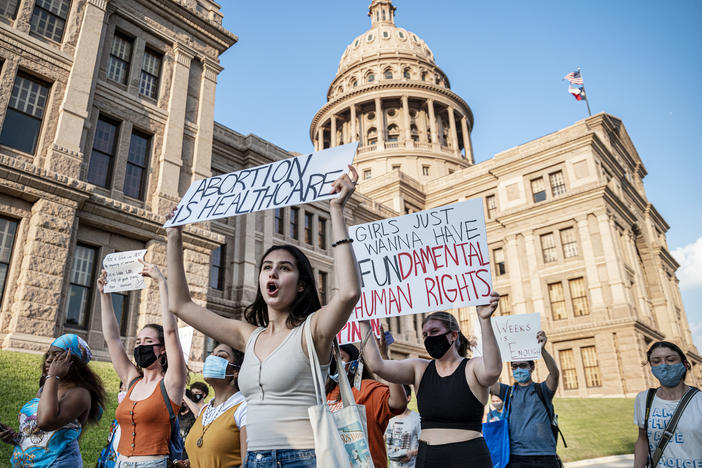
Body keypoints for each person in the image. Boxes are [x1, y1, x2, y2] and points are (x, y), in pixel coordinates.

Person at [166, 166, 361, 467]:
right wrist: (174, 236)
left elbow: (348, 292)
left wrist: (336, 210)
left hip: (302, 458)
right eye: (267, 266)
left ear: (301, 285)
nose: (272, 272)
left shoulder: (313, 331)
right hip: (254, 460)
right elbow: (181, 304)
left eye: (284, 268)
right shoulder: (248, 335)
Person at [360, 297, 502, 468]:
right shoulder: (420, 368)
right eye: (425, 335)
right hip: (429, 459)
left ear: (453, 335)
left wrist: (484, 320)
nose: (429, 338)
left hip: (468, 457)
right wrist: (363, 321)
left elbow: (493, 371)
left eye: (434, 332)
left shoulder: (472, 366)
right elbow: (377, 366)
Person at [98, 261, 187, 468]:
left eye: (148, 342)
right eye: (138, 342)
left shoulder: (171, 383)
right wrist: (105, 295)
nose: (141, 346)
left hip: (152, 463)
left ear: (162, 349)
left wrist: (161, 283)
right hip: (119, 462)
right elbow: (112, 339)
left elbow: (171, 331)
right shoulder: (132, 381)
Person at [0, 334, 106, 467]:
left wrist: (53, 376)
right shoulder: (46, 388)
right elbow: (41, 433)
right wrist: (16, 437)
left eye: (57, 355)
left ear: (73, 362)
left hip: (58, 463)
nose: (48, 360)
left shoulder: (80, 394)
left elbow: (45, 421)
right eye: (48, 355)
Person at [325, 340, 407, 467]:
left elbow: (398, 403)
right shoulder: (326, 393)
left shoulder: (368, 388)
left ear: (354, 362)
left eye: (340, 357)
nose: (335, 363)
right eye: (332, 359)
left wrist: (386, 359)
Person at [489, 330, 560, 468]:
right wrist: (477, 352)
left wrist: (542, 350)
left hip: (545, 456)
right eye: (515, 367)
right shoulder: (507, 392)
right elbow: (485, 380)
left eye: (523, 366)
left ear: (532, 367)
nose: (518, 370)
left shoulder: (543, 390)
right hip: (517, 457)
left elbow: (554, 374)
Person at [178, 344, 248, 468]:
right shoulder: (205, 410)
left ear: (236, 371)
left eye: (221, 356)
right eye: (211, 355)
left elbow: (248, 463)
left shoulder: (244, 408)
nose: (212, 360)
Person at [634, 341, 701, 468]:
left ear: (685, 364)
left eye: (670, 359)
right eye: (656, 361)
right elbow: (642, 439)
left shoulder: (699, 400)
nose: (663, 365)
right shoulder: (643, 399)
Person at [384, 385, 421, 468]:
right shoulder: (388, 418)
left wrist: (411, 453)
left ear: (408, 398)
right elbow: (383, 438)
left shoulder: (417, 419)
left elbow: (424, 446)